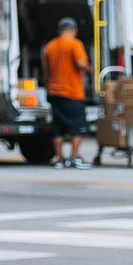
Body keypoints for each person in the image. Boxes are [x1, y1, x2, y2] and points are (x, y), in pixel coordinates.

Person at [42, 18, 91, 169]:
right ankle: (75, 157)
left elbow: (46, 71)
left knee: (58, 126)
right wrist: (90, 69)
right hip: (72, 92)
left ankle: (59, 158)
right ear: (74, 30)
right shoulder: (75, 44)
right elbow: (80, 63)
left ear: (59, 30)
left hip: (54, 92)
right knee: (77, 126)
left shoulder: (49, 46)